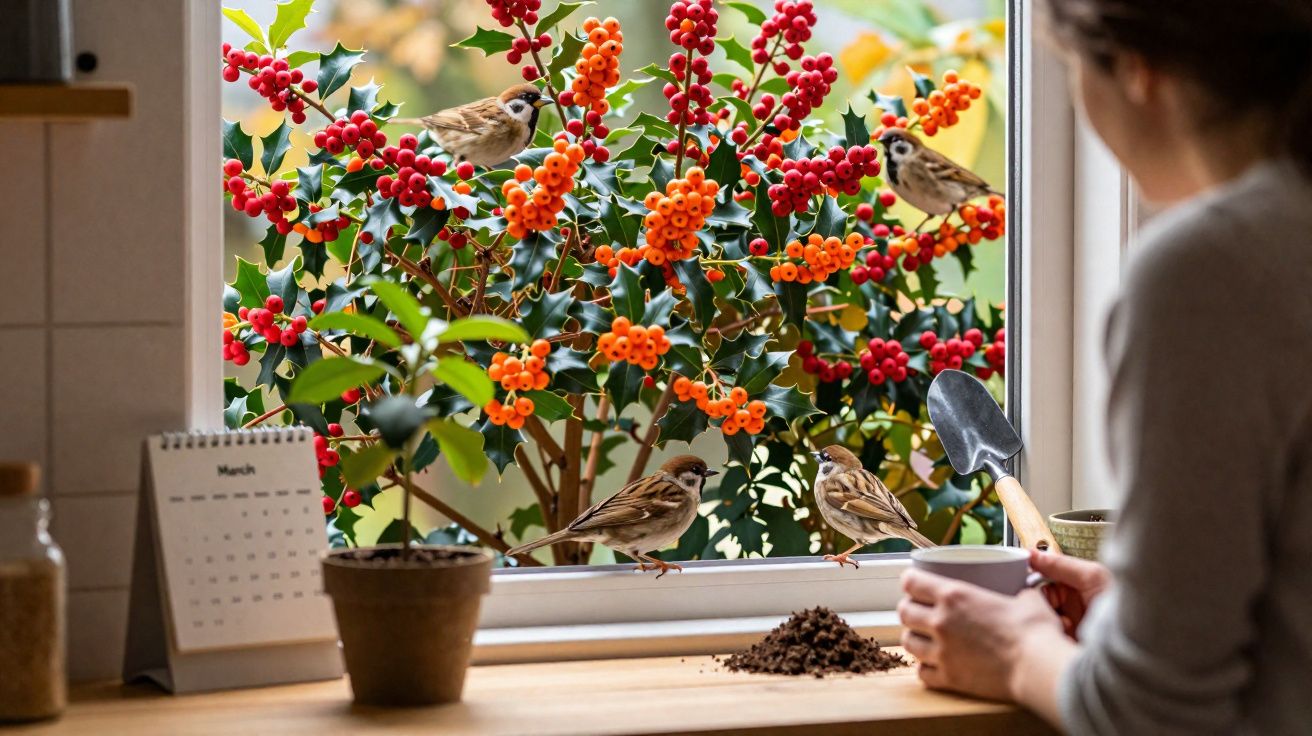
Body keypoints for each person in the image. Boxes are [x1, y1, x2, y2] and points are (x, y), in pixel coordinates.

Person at [896, 1, 1312, 733]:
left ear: (1141, 70)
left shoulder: (1212, 272)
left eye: (1070, 68)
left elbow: (1153, 713)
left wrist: (1018, 651)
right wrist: (1142, 605)